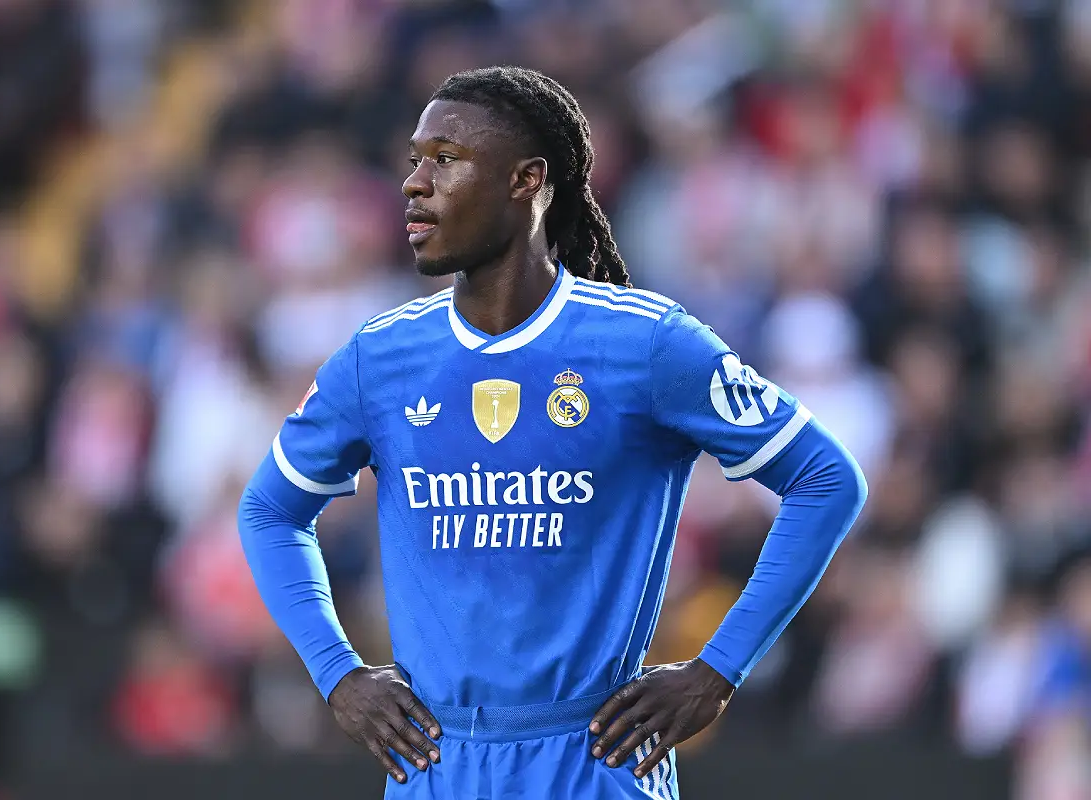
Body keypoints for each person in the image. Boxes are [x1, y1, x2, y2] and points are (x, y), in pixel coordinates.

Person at [237, 66, 867, 799]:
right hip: (435, 768)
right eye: (415, 159)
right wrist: (337, 673)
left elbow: (827, 480)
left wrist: (716, 671)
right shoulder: (378, 359)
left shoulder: (648, 345)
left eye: (446, 158)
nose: (414, 182)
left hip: (591, 764)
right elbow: (269, 510)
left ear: (526, 180)